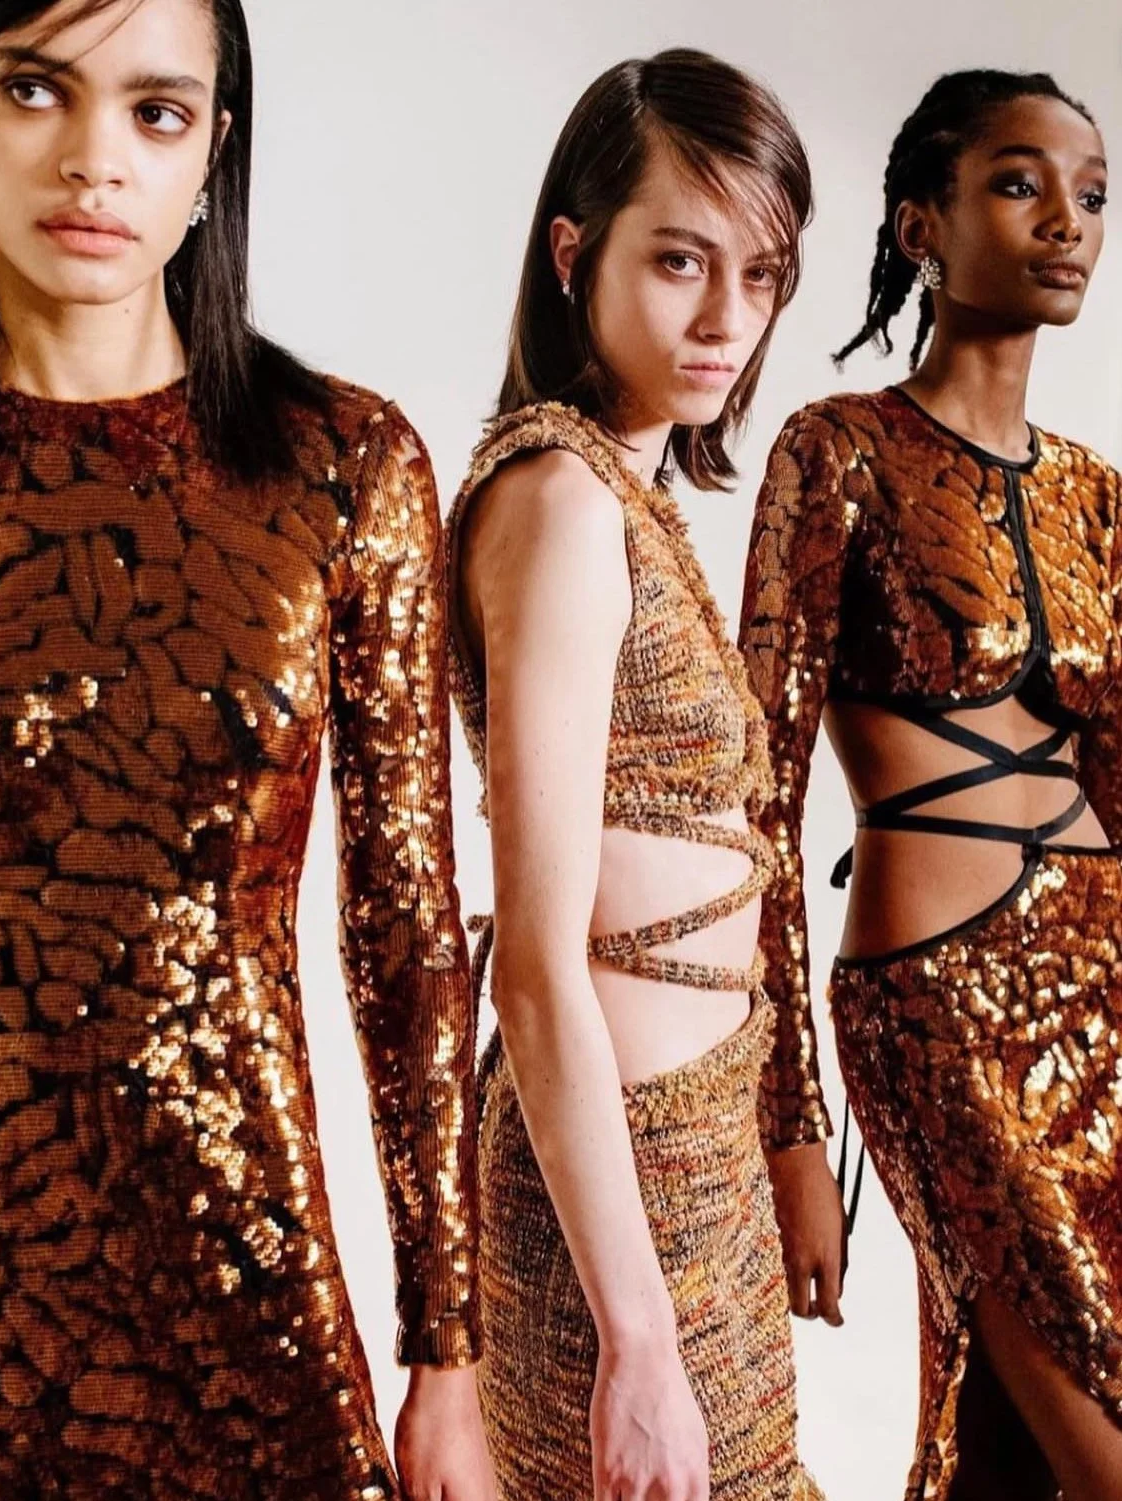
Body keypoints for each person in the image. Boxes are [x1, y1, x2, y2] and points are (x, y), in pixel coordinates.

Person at [0, 3, 495, 1497]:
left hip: (244, 1262)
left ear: (215, 152)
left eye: (157, 113)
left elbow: (406, 926)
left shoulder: (341, 463)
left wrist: (449, 1355)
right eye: (38, 90)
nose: (93, 161)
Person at [445, 48, 829, 1501]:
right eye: (681, 261)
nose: (729, 318)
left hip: (696, 1167)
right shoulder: (555, 500)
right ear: (573, 253)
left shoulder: (626, 493)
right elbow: (536, 968)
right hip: (612, 1212)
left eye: (764, 274)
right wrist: (638, 1341)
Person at [739, 68, 1120, 1501]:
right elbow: (755, 809)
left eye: (1091, 194)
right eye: (1019, 184)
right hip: (936, 1009)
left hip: (1109, 998)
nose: (1066, 222)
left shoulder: (1101, 497)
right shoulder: (838, 453)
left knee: (1006, 1453)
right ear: (921, 223)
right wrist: (788, 1130)